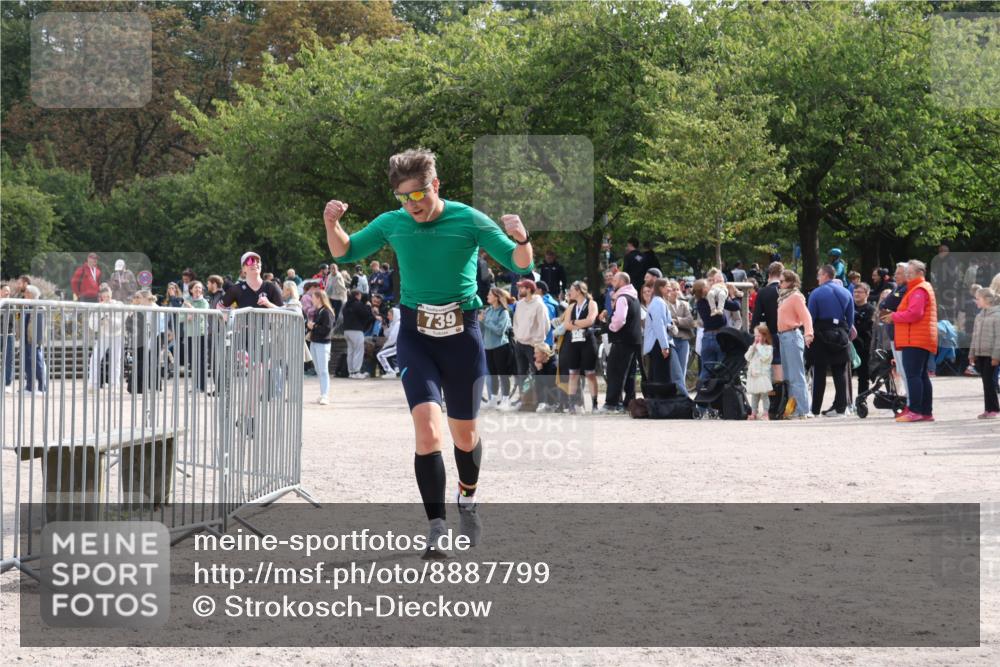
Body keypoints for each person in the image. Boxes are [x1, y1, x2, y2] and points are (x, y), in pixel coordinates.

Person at [323, 148, 534, 557]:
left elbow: (518, 262)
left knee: (465, 435)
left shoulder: (469, 220)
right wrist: (333, 223)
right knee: (427, 433)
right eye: (403, 198)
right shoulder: (393, 222)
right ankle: (436, 527)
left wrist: (522, 237)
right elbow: (344, 251)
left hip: (463, 336)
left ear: (434, 186)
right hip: (417, 336)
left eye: (417, 196)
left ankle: (468, 500)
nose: (411, 205)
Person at [883, 260, 937, 422]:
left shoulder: (919, 289)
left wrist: (893, 317)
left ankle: (915, 410)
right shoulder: (917, 288)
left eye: (910, 272)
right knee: (920, 376)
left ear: (920, 273)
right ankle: (925, 411)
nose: (907, 275)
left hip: (915, 338)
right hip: (918, 337)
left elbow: (915, 313)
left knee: (913, 375)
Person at [807, 264, 855, 417]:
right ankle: (841, 408)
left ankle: (814, 409)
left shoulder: (816, 293)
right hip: (840, 332)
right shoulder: (846, 292)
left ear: (826, 275)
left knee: (819, 373)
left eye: (819, 275)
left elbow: (811, 316)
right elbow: (850, 318)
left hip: (820, 333)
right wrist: (844, 332)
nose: (817, 278)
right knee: (839, 372)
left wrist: (809, 333)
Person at [599, 271, 641, 413]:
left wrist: (610, 326)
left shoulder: (622, 298)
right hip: (633, 340)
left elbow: (619, 320)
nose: (612, 282)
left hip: (622, 340)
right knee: (629, 374)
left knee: (614, 371)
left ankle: (612, 404)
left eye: (615, 280)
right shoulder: (634, 296)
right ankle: (627, 403)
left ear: (622, 282)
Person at [776, 270, 814, 418]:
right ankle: (792, 409)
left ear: (791, 282)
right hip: (784, 337)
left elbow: (806, 317)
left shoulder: (795, 297)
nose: (780, 284)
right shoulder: (783, 298)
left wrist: (808, 333)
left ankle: (803, 409)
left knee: (796, 376)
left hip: (792, 335)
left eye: (782, 281)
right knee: (788, 376)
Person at [558, 280, 600, 413]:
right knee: (573, 373)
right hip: (573, 342)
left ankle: (594, 404)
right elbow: (566, 325)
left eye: (571, 290)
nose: (569, 293)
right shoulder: (571, 307)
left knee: (590, 373)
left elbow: (590, 320)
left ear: (579, 291)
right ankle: (571, 405)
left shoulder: (592, 304)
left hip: (587, 341)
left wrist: (575, 322)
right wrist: (578, 324)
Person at [751, 261, 785, 406]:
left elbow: (756, 316)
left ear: (769, 274)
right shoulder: (787, 290)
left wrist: (754, 333)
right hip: (789, 332)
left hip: (771, 333)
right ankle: (785, 398)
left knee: (773, 365)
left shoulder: (763, 292)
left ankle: (774, 400)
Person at [481, 287, 516, 410]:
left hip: (501, 347)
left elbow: (500, 331)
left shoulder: (504, 312)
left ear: (496, 297)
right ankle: (493, 399)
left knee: (503, 374)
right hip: (488, 347)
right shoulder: (488, 310)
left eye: (490, 295)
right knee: (493, 374)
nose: (487, 296)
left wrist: (485, 321)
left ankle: (505, 400)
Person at [968, 287, 1000, 419]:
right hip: (980, 354)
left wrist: (996, 356)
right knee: (985, 382)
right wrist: (972, 353)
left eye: (978, 298)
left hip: (991, 355)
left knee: (991, 382)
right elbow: (975, 336)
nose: (976, 301)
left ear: (987, 300)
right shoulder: (979, 316)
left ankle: (995, 409)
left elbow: (999, 337)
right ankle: (988, 409)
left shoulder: (997, 315)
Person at [879, 263, 909, 400]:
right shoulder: (897, 288)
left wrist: (887, 305)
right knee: (901, 370)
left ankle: (910, 400)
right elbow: (882, 305)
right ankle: (907, 399)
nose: (895, 276)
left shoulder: (906, 289)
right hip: (894, 334)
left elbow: (887, 304)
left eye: (898, 273)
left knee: (905, 370)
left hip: (901, 335)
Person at [87, 284, 124, 391]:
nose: (107, 298)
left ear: (111, 294)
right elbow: (92, 324)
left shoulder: (119, 304)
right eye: (104, 296)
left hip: (117, 334)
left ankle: (114, 385)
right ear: (101, 296)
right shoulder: (98, 306)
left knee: (116, 359)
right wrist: (100, 322)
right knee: (95, 358)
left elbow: (122, 320)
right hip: (104, 335)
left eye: (108, 296)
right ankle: (93, 384)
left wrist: (110, 319)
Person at [219, 252, 285, 310]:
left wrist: (269, 304)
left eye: (258, 261)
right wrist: (233, 319)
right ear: (243, 268)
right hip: (244, 324)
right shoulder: (236, 289)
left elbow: (284, 312)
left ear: (261, 266)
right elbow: (219, 308)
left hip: (267, 324)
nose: (255, 263)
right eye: (250, 261)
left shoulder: (271, 287)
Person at [512, 279, 550, 377]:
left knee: (537, 373)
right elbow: (515, 322)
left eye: (521, 288)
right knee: (521, 374)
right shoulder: (519, 304)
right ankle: (523, 393)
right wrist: (517, 337)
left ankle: (538, 393)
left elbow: (545, 325)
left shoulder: (539, 305)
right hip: (519, 344)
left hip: (533, 346)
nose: (519, 290)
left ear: (529, 289)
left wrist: (537, 343)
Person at [664, 279, 694, 398]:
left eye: (677, 289)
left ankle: (678, 396)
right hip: (671, 341)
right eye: (672, 289)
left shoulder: (684, 304)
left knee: (682, 370)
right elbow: (666, 322)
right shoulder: (664, 304)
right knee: (676, 372)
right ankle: (686, 397)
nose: (675, 292)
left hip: (684, 340)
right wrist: (682, 321)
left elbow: (691, 322)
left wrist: (676, 320)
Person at [307, 289, 336, 404]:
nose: (312, 300)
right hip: (315, 342)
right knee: (319, 370)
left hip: (322, 344)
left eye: (313, 297)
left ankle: (325, 395)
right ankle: (323, 393)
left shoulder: (326, 312)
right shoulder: (319, 311)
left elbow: (326, 329)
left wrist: (313, 326)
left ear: (319, 298)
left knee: (323, 370)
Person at [642, 278, 672, 385]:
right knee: (661, 378)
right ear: (661, 288)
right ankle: (659, 400)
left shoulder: (658, 302)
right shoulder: (658, 302)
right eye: (668, 286)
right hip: (658, 344)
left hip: (657, 343)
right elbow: (658, 325)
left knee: (655, 376)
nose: (670, 289)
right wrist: (664, 346)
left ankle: (654, 400)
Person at [181, 281, 210, 391]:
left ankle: (202, 386)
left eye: (200, 288)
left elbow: (203, 316)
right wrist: (187, 316)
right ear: (191, 290)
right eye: (196, 288)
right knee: (192, 361)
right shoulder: (186, 302)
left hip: (201, 334)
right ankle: (196, 385)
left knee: (201, 360)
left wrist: (191, 310)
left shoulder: (204, 302)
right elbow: (180, 317)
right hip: (189, 334)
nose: (198, 290)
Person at [21, 285, 47, 395]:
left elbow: (40, 327)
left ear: (32, 294)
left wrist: (38, 341)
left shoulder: (39, 307)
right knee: (27, 364)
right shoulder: (26, 306)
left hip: (34, 341)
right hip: (26, 340)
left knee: (38, 364)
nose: (24, 294)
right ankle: (29, 387)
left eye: (27, 292)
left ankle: (42, 388)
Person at [341, 289, 373, 379]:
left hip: (346, 330)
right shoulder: (358, 304)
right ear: (357, 295)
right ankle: (356, 372)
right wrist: (368, 306)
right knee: (359, 351)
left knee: (350, 351)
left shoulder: (346, 305)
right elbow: (366, 314)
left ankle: (351, 372)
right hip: (356, 330)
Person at [745, 324, 774, 420]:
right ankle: (754, 412)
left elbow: (765, 357)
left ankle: (766, 413)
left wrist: (759, 347)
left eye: (759, 336)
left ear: (765, 336)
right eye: (755, 335)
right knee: (754, 396)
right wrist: (752, 347)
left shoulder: (768, 348)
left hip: (763, 376)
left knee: (765, 395)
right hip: (753, 376)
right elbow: (747, 357)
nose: (756, 338)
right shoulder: (754, 348)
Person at [852, 282, 876, 395]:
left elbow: (868, 328)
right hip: (850, 346)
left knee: (863, 376)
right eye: (855, 292)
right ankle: (846, 402)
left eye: (859, 292)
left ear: (867, 294)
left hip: (863, 347)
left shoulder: (871, 309)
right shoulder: (849, 307)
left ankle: (861, 400)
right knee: (846, 375)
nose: (856, 294)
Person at [531, 342, 559, 412]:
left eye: (536, 353)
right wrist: (538, 369)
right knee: (532, 382)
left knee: (544, 384)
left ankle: (549, 404)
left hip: (557, 394)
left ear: (544, 354)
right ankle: (541, 402)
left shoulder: (553, 365)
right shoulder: (541, 362)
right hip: (549, 393)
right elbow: (537, 381)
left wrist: (540, 369)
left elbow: (549, 384)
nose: (534, 356)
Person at [377, 304, 402, 378]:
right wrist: (385, 328)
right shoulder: (395, 323)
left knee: (380, 355)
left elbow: (392, 339)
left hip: (398, 346)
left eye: (389, 315)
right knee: (386, 353)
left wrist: (384, 347)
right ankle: (396, 370)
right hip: (397, 346)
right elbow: (389, 335)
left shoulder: (398, 323)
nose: (388, 317)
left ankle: (390, 372)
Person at [536, 280, 559, 347]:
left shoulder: (548, 305)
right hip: (545, 340)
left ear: (539, 290)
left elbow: (547, 322)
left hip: (547, 341)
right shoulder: (549, 302)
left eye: (534, 289)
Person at [2, 284, 15, 393]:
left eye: (9, 291)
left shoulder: (12, 304)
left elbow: (18, 317)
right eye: (5, 290)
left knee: (9, 360)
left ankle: (7, 384)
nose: (8, 293)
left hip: (9, 335)